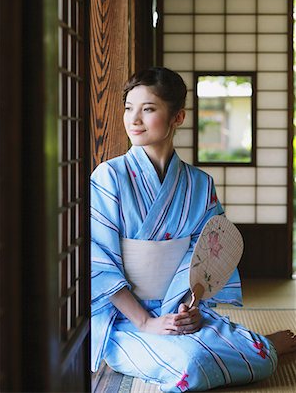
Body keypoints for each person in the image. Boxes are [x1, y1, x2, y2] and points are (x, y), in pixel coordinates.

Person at [91, 67, 296, 392]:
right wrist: (147, 322)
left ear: (178, 117)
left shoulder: (199, 185)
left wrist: (192, 308)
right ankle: (256, 341)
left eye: (148, 109)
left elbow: (209, 254)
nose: (134, 119)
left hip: (176, 308)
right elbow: (96, 258)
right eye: (129, 107)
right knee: (192, 365)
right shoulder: (109, 177)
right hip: (125, 320)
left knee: (255, 355)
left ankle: (256, 342)